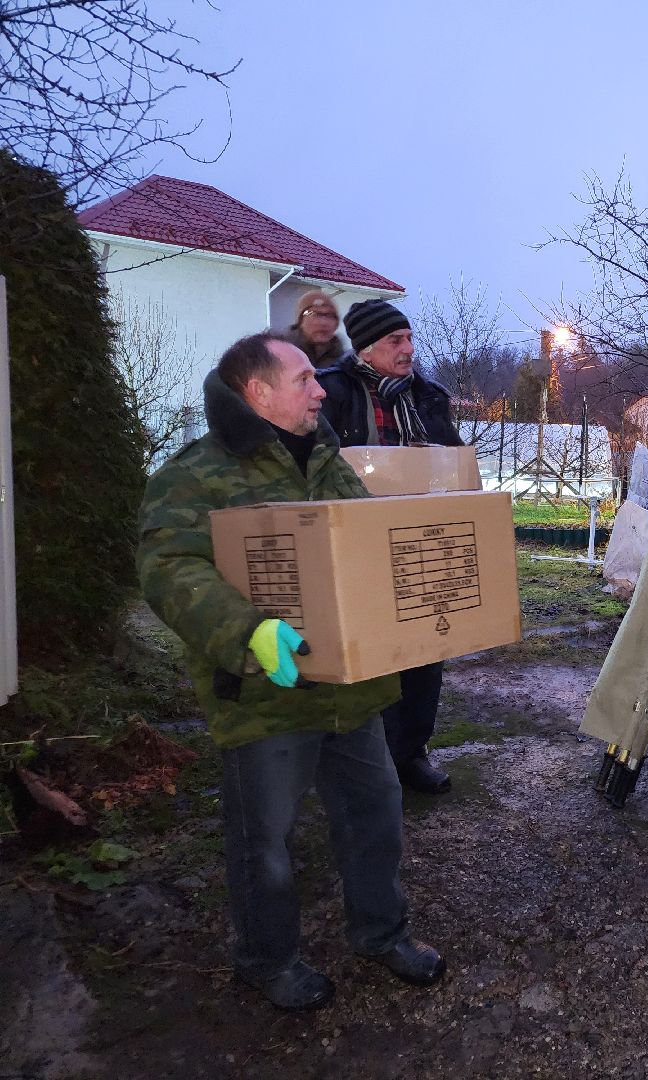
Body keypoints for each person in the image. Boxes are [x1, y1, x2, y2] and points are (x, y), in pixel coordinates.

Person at [137, 332, 446, 1009]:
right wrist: (248, 633)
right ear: (259, 391)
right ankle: (266, 959)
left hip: (352, 689)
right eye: (305, 378)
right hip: (264, 692)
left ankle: (381, 931)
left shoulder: (330, 461)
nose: (319, 390)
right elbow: (167, 568)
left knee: (377, 814)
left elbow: (367, 550)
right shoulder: (196, 473)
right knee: (265, 843)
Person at [317, 299, 463, 794]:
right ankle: (367, 756)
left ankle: (411, 753)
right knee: (369, 650)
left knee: (426, 648)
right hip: (357, 542)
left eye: (409, 338)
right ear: (366, 348)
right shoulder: (331, 391)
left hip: (420, 540)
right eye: (394, 341)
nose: (408, 350)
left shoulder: (428, 396)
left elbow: (452, 464)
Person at [283, 289, 344, 367]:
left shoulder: (344, 364)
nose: (323, 322)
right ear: (300, 321)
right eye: (314, 314)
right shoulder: (278, 356)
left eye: (330, 315)